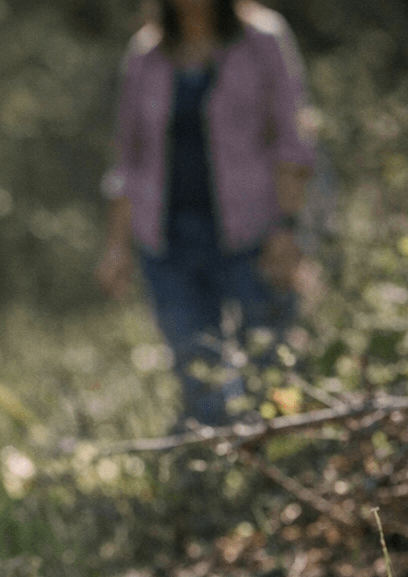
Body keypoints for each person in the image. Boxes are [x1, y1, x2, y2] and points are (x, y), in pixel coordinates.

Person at [95, 0, 316, 428]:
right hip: (168, 241)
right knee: (200, 378)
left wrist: (286, 230)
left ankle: (289, 467)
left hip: (253, 234)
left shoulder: (263, 40)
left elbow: (292, 140)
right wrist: (117, 247)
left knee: (275, 370)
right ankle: (223, 480)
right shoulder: (146, 53)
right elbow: (128, 159)